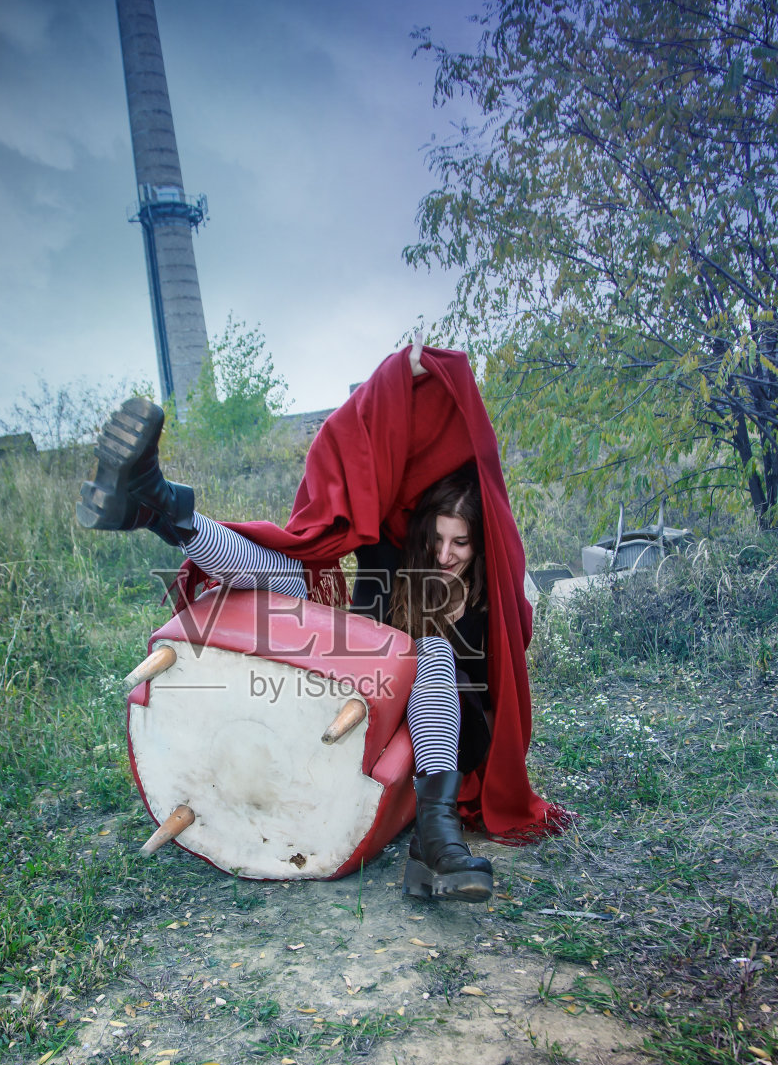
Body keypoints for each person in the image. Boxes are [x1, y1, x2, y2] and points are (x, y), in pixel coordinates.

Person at [77, 343, 566, 898]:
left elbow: (497, 678)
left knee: (431, 652)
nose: (446, 554)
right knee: (287, 578)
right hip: (355, 688)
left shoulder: (487, 603)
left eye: (461, 544)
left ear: (480, 548)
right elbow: (360, 454)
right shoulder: (395, 561)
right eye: (436, 539)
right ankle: (160, 506)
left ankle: (437, 833)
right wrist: (398, 374)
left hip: (437, 738)